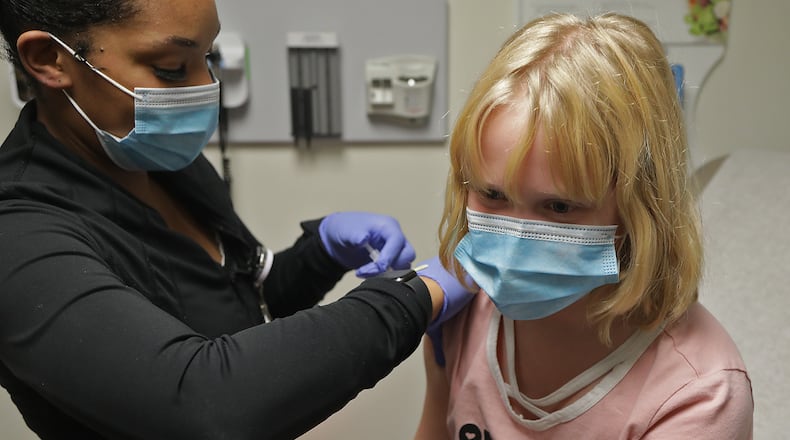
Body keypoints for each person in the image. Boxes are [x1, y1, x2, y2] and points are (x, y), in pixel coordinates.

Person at [0, 1, 473, 439]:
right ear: (49, 59)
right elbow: (206, 401)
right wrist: (414, 296)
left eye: (209, 57)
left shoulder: (156, 161)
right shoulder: (19, 236)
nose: (205, 88)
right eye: (170, 69)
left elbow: (237, 308)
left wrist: (318, 256)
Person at [414, 12, 753, 439]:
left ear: (639, 208)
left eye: (558, 206)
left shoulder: (698, 396)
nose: (514, 244)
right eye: (493, 196)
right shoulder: (457, 321)